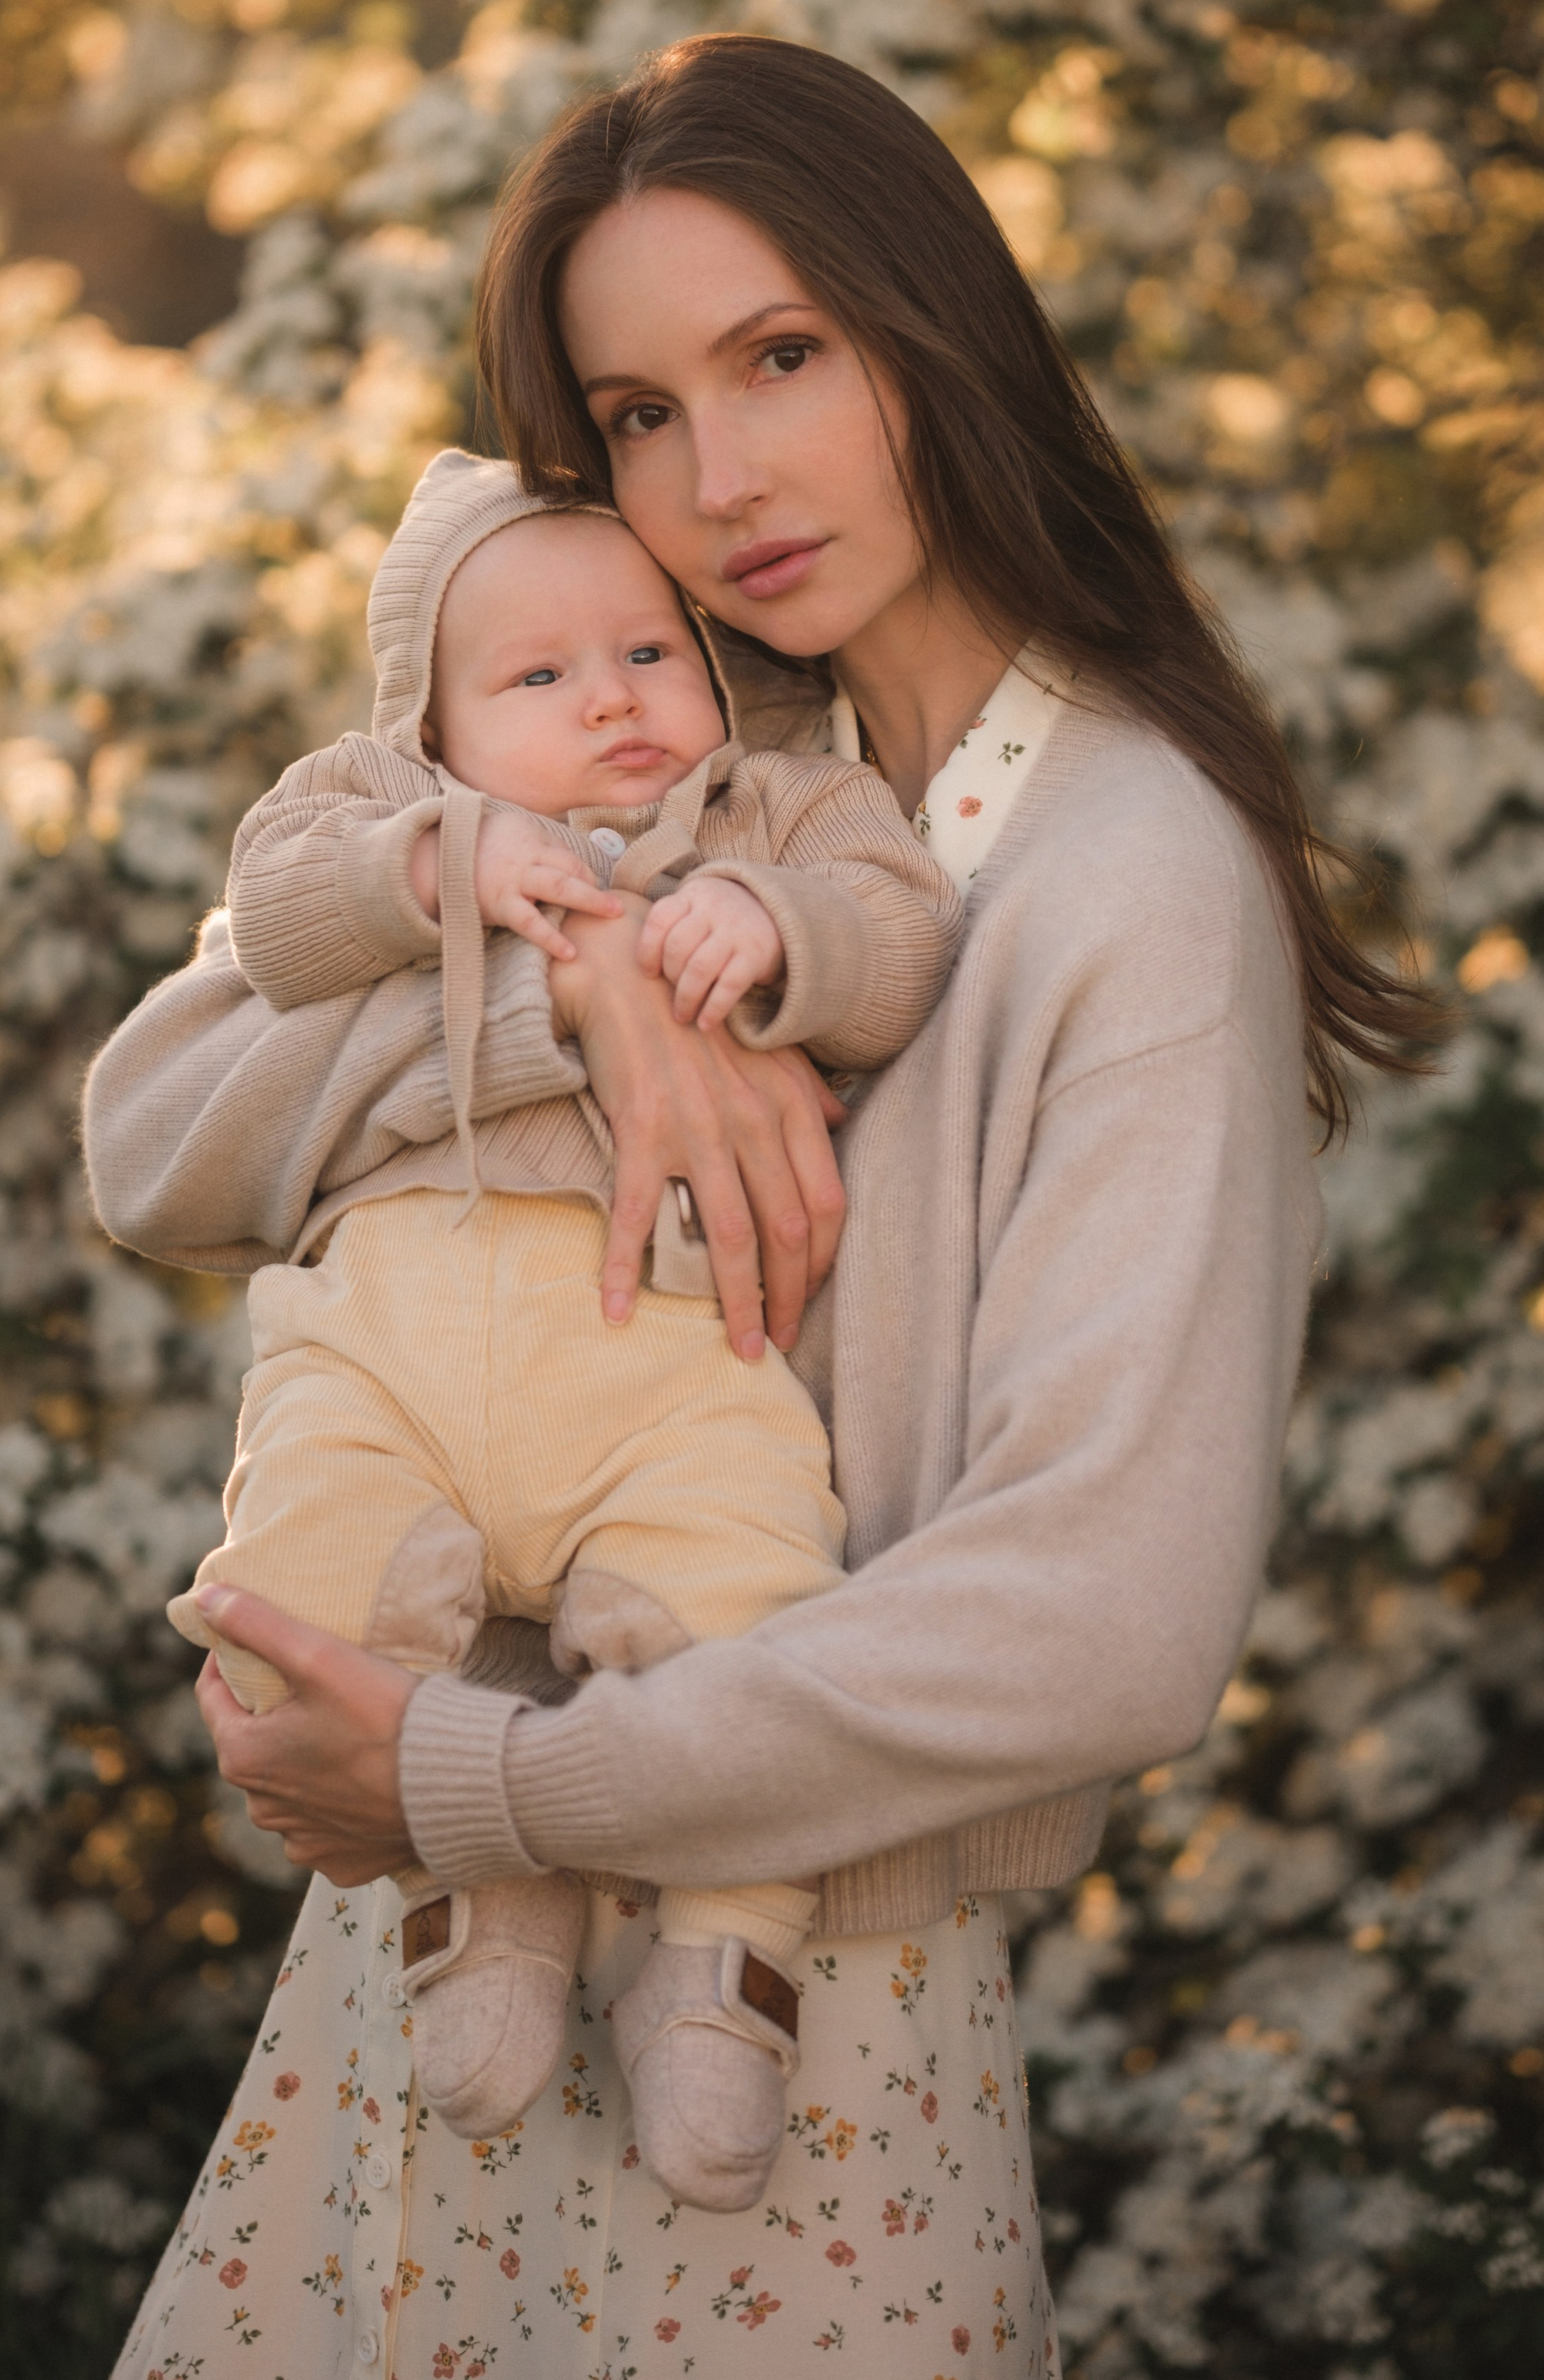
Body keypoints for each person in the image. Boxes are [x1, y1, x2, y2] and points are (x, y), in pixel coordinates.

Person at [85, 33, 1439, 2379]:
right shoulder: (664, 736)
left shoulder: (1131, 877)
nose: (717, 480)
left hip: (787, 2046)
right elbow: (155, 1120)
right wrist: (582, 1001)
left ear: (939, 333)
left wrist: (488, 1778)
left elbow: (1103, 1609)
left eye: (782, 357)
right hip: (427, 2003)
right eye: (633, 412)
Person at [152, 444, 961, 2210]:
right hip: (387, 1355)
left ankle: (719, 1978)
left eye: (647, 652)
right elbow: (277, 904)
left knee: (748, 1600)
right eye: (535, 677)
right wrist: (437, 863)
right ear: (430, 724)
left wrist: (778, 925)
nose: (609, 701)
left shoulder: (779, 803)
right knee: (302, 1591)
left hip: (674, 1369)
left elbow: (900, 936)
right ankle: (478, 1911)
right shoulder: (390, 804)